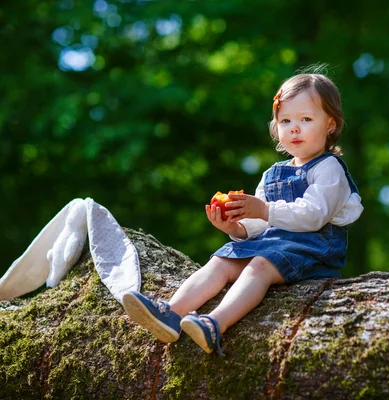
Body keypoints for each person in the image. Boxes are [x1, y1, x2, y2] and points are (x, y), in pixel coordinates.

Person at [122, 71, 363, 356]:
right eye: (286, 121)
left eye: (306, 120)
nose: (294, 129)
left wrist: (264, 209)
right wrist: (235, 227)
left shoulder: (329, 168)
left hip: (313, 251)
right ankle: (171, 313)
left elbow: (314, 215)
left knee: (258, 265)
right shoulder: (272, 173)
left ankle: (214, 325)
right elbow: (259, 225)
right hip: (274, 246)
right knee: (222, 259)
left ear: (330, 125)